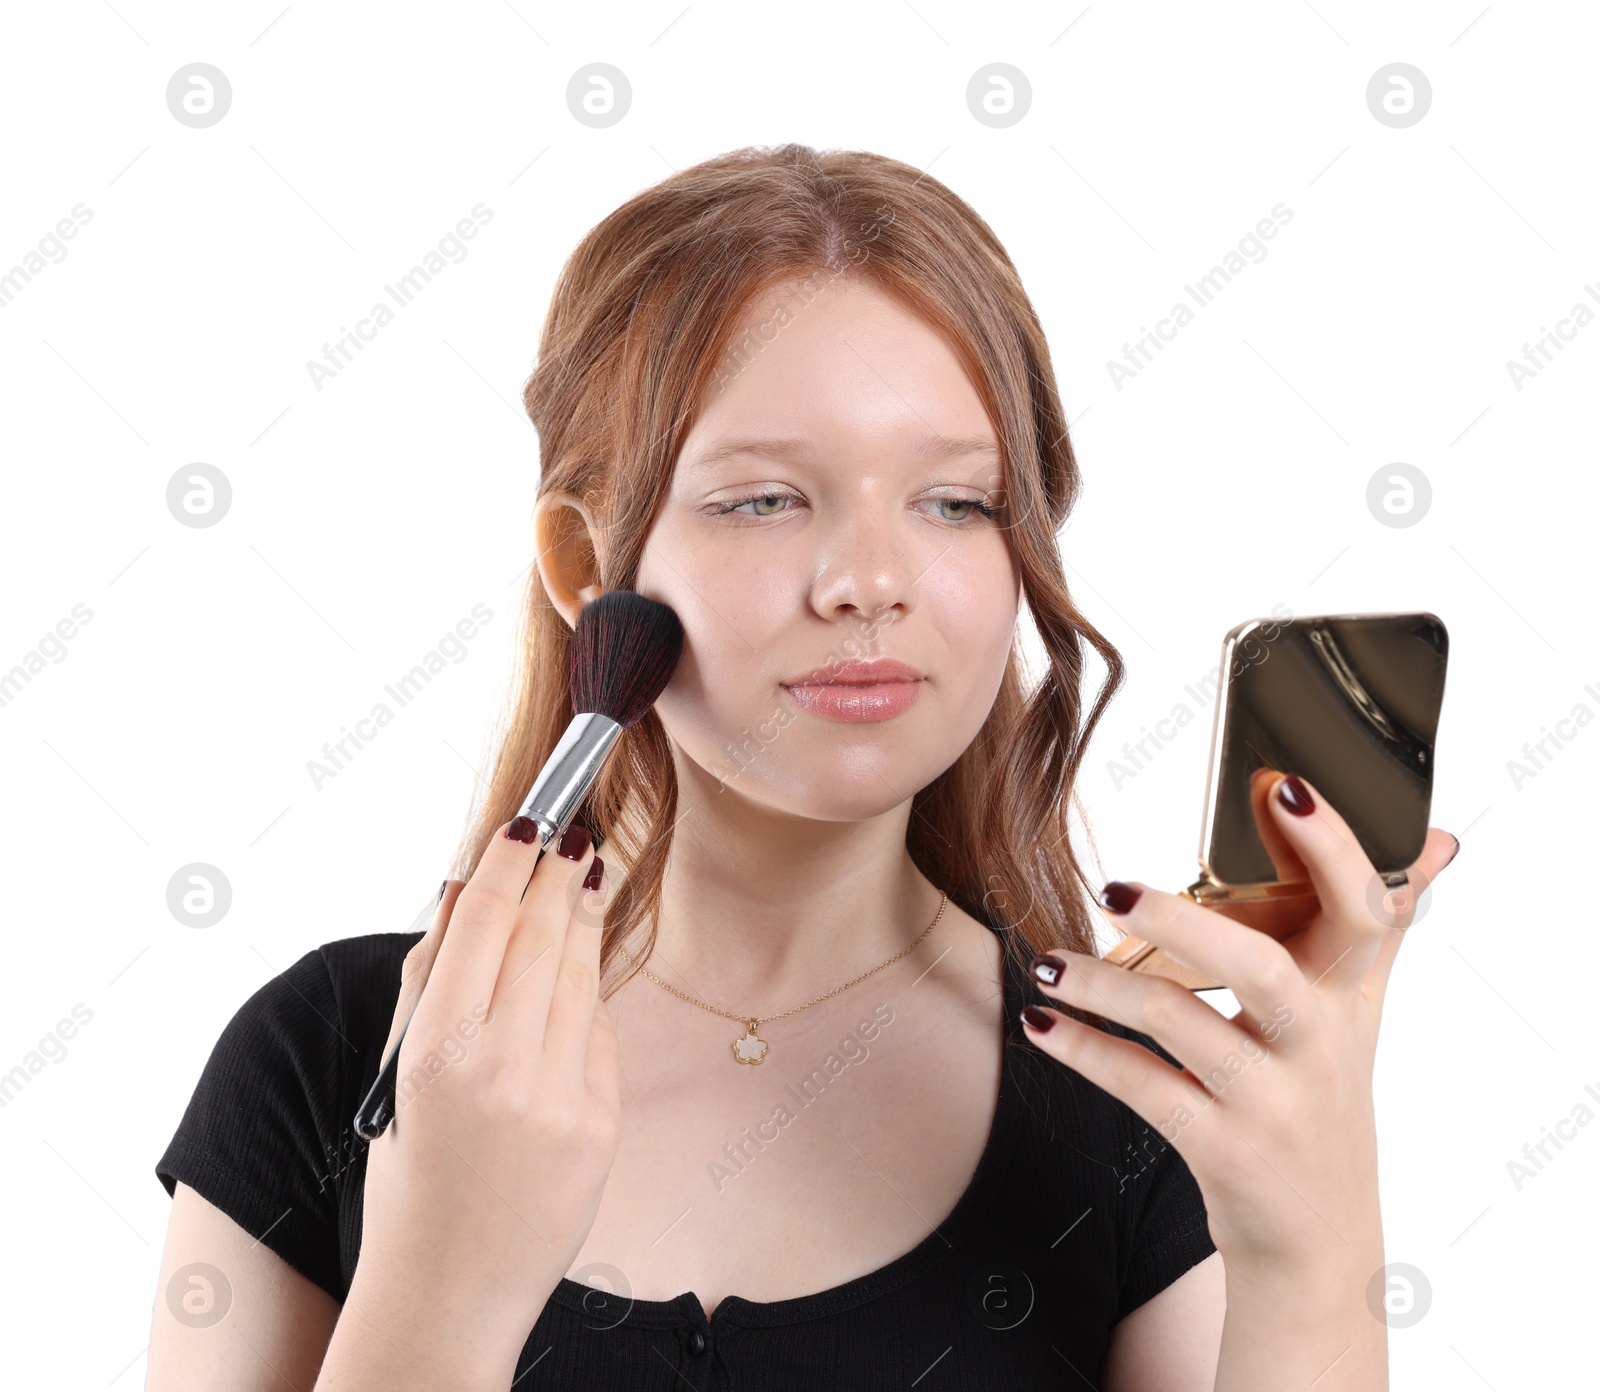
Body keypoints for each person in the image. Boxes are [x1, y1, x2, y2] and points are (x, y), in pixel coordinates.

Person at [147, 144, 1457, 1390]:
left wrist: (1312, 1240)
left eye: (955, 502)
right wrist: (438, 1283)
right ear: (581, 570)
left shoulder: (1132, 1113)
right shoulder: (328, 1058)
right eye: (763, 500)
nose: (871, 583)